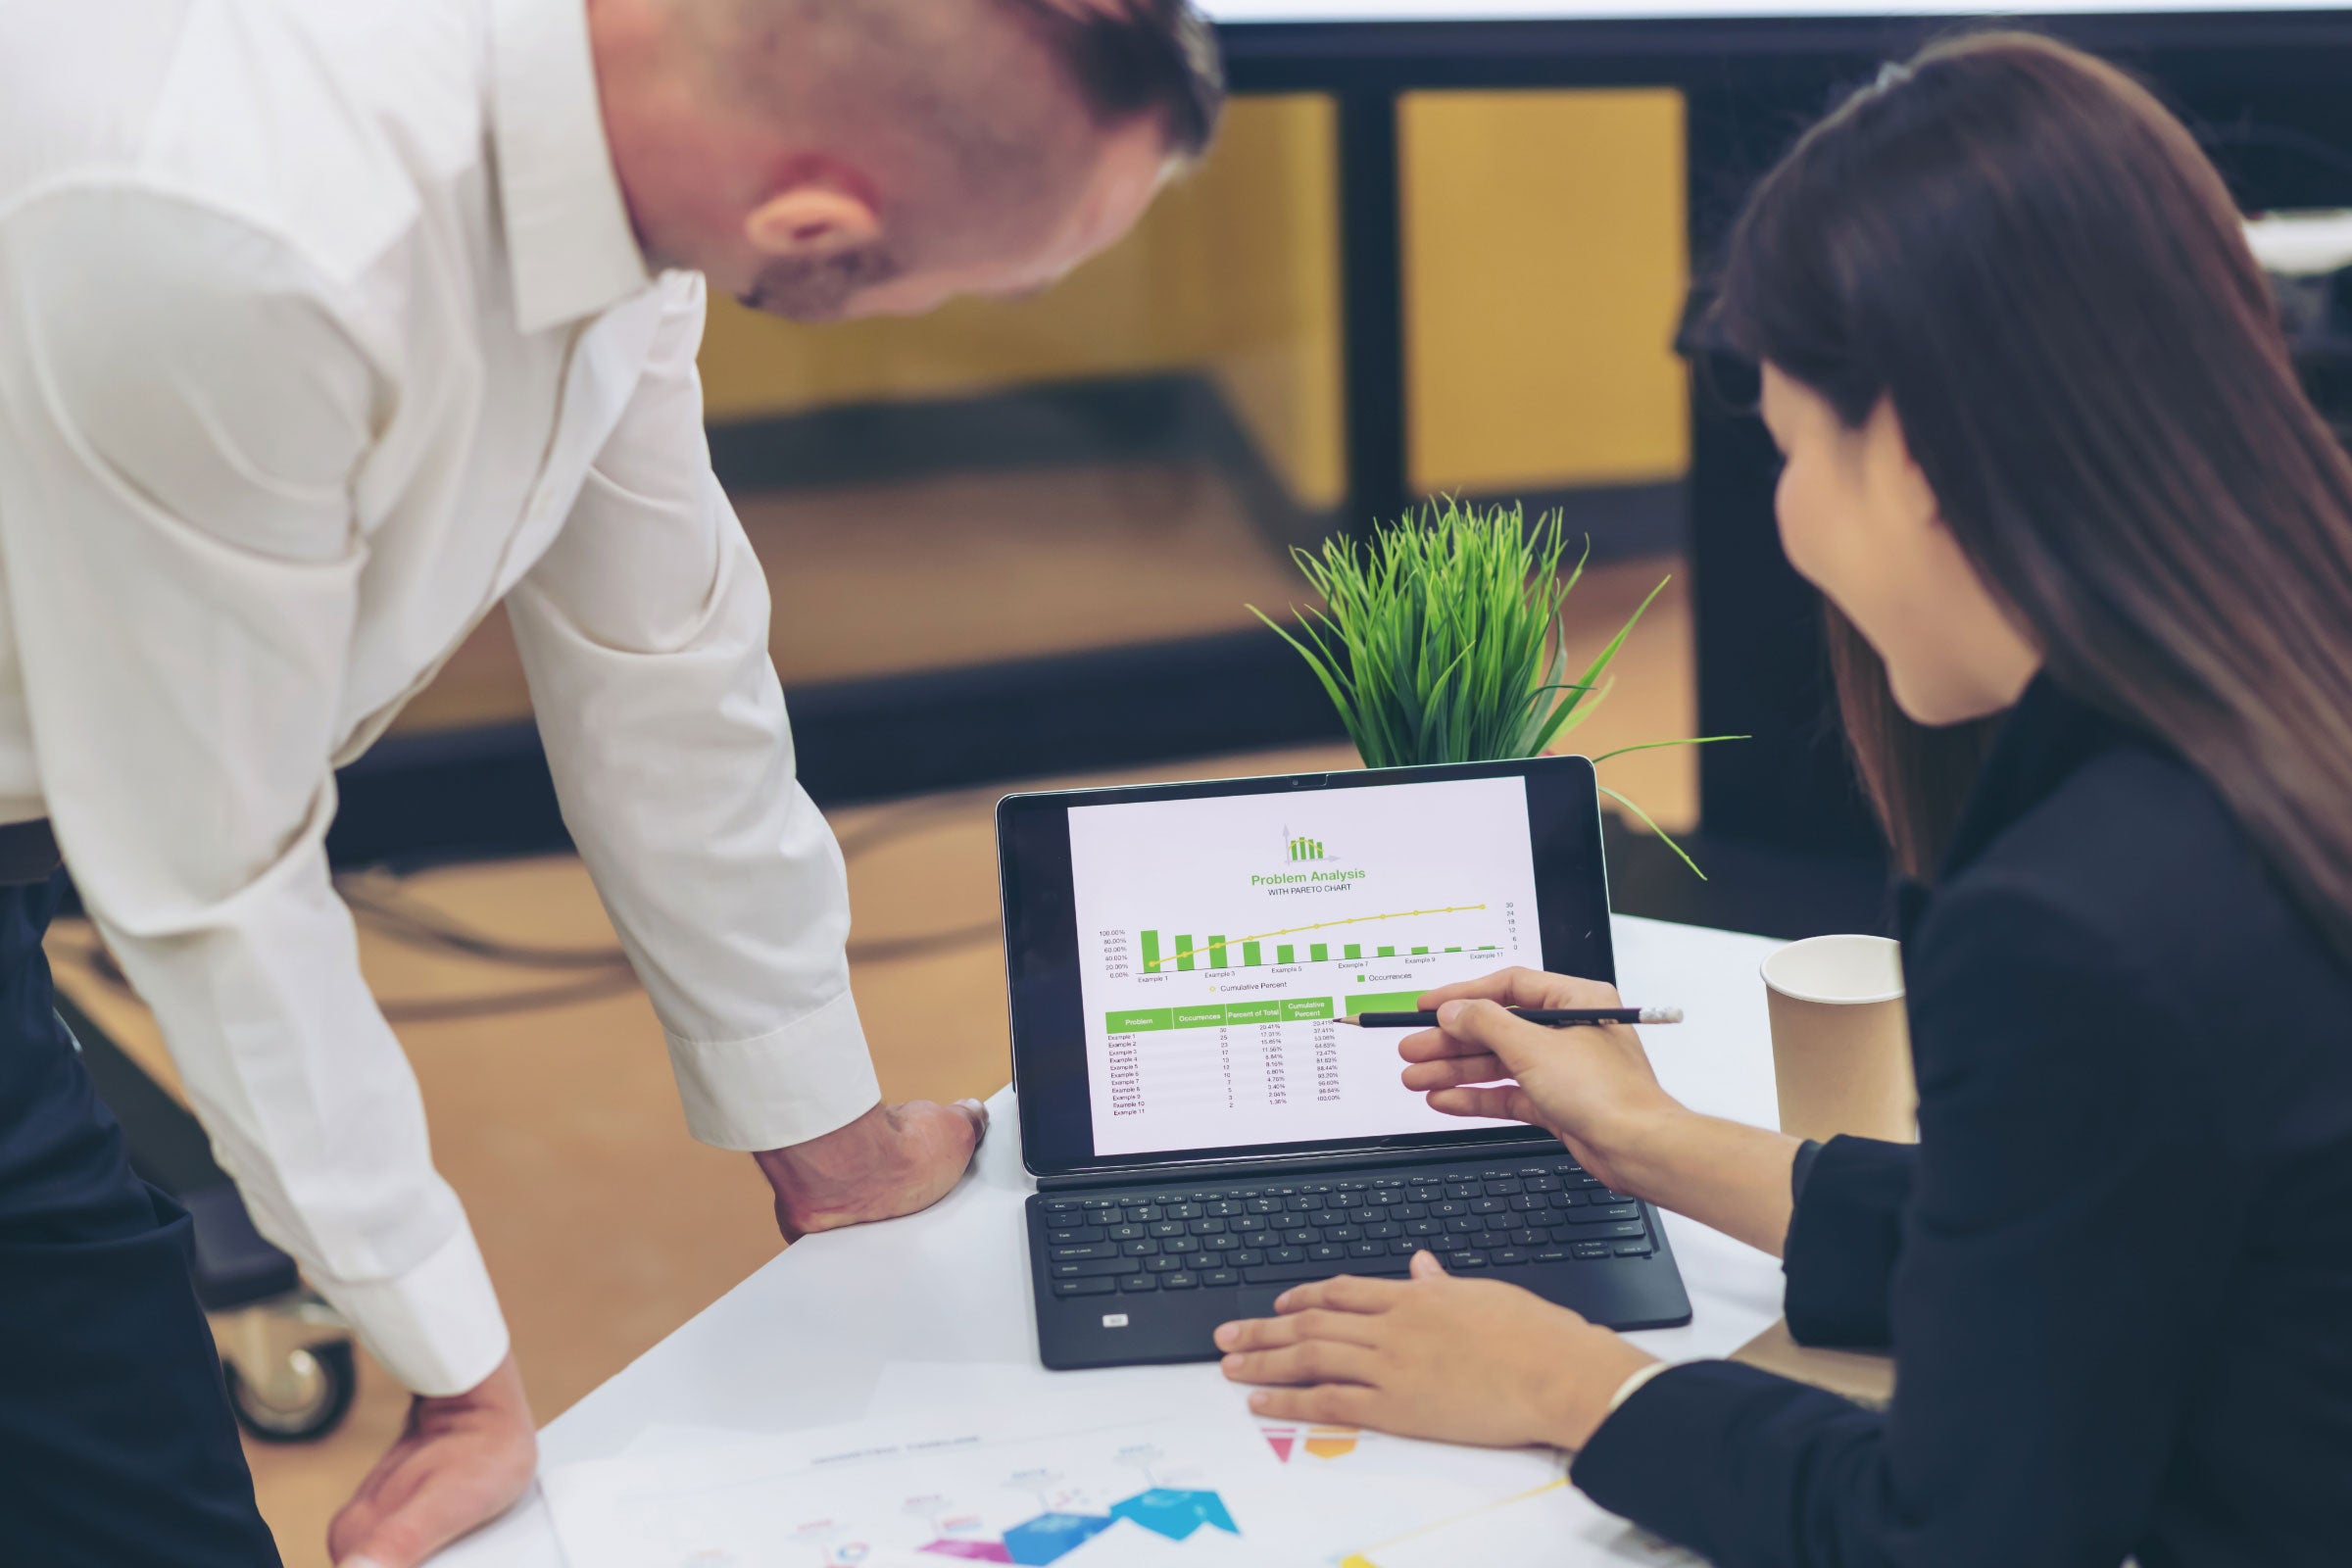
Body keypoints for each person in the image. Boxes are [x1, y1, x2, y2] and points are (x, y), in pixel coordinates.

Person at [0, 1, 1221, 1564]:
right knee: (123, 1472)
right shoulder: (246, 231)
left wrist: (819, 1128)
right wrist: (459, 1379)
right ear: (818, 231)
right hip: (96, 772)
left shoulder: (633, 130)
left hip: (79, 747)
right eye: (977, 283)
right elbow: (219, 876)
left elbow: (660, 646)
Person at [1213, 31, 2352, 1567]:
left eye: (1792, 442)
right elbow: (2118, 1234)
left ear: (1922, 452)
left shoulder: (2077, 922)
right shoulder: (2283, 715)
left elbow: (1961, 1538)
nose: (1789, 516)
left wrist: (1580, 1386)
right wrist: (1664, 1143)